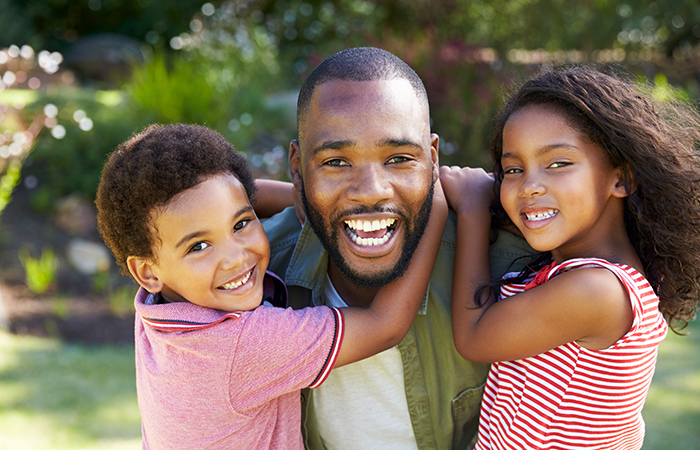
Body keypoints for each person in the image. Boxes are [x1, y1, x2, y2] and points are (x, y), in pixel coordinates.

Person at [94, 123, 448, 449]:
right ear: (146, 270)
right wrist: (435, 206)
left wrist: (321, 207)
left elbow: (244, 194)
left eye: (241, 224)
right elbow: (384, 325)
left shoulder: (157, 308)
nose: (235, 258)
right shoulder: (242, 346)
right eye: (198, 246)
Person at [260, 47, 534, 449]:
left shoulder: (512, 275)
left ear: (433, 159)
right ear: (298, 168)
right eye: (336, 162)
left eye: (399, 158)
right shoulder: (250, 280)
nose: (371, 191)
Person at [441, 67, 700, 449]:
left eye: (558, 163)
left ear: (621, 179)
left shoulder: (596, 290)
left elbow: (475, 336)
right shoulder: (588, 272)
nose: (529, 186)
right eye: (513, 169)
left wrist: (473, 210)